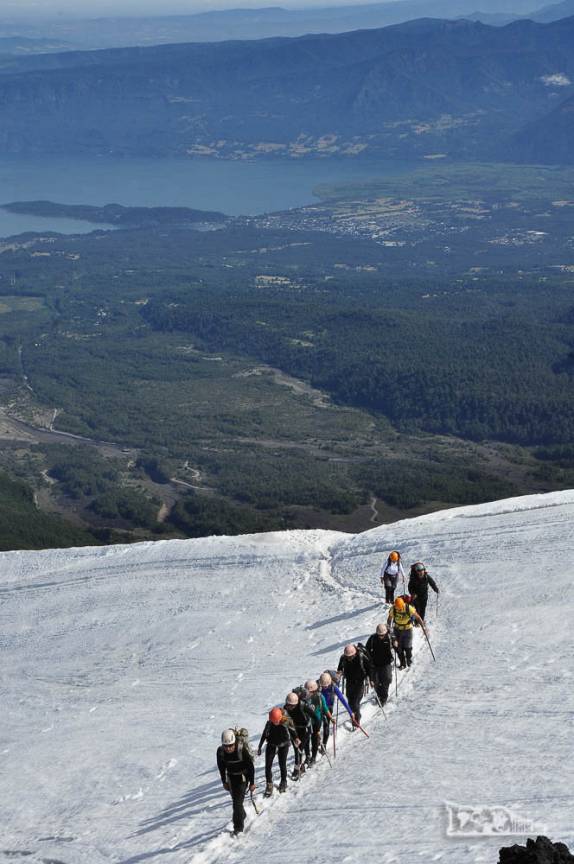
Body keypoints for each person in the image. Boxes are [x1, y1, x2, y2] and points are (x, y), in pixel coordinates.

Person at [216, 728, 256, 834]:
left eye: (230, 745)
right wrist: (224, 781)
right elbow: (221, 768)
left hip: (243, 777)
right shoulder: (220, 752)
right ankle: (242, 814)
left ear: (234, 742)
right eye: (226, 746)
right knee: (236, 801)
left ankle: (238, 828)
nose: (228, 749)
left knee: (236, 803)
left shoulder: (241, 749)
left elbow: (250, 766)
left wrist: (252, 783)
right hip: (231, 778)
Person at [258, 707, 297, 795]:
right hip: (271, 744)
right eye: (273, 721)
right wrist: (260, 746)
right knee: (268, 765)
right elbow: (264, 734)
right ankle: (269, 784)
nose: (275, 723)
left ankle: (283, 781)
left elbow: (293, 732)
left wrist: (296, 739)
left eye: (276, 721)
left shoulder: (286, 722)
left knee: (282, 764)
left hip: (284, 745)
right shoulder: (270, 723)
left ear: (280, 718)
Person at [337, 643, 371, 729]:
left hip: (360, 682)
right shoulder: (343, 658)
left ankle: (356, 721)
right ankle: (355, 717)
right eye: (348, 657)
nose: (349, 658)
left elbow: (370, 668)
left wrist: (372, 680)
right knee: (350, 702)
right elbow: (340, 668)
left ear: (355, 653)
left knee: (355, 703)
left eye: (351, 656)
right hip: (349, 682)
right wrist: (339, 673)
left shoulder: (361, 657)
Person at [387, 596, 426, 668]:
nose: (399, 609)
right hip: (397, 630)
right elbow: (389, 619)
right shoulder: (393, 609)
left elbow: (418, 617)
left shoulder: (408, 608)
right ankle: (402, 663)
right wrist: (389, 629)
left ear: (403, 605)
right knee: (398, 648)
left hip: (408, 630)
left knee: (408, 647)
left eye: (400, 608)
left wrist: (423, 626)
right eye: (397, 608)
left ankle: (409, 659)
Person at [283, 692, 314, 779]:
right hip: (295, 730)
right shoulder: (285, 709)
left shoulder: (303, 706)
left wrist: (316, 729)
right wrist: (294, 736)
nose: (289, 707)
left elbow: (314, 716)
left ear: (296, 704)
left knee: (299, 749)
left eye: (291, 705)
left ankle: (297, 769)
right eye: (288, 704)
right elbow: (287, 722)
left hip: (305, 729)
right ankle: (306, 758)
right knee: (297, 749)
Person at [318, 671, 353, 747]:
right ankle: (317, 740)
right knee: (316, 725)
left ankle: (324, 744)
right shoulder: (318, 686)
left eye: (326, 686)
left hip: (329, 708)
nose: (324, 687)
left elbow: (342, 700)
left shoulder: (334, 687)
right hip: (319, 708)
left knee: (326, 725)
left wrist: (350, 712)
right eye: (323, 686)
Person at [304, 679, 331, 764]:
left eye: (310, 691)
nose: (308, 693)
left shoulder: (320, 697)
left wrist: (330, 717)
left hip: (317, 722)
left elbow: (325, 708)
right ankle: (308, 756)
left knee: (314, 739)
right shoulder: (304, 698)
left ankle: (313, 757)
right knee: (306, 740)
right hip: (307, 722)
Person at [365, 623, 393, 706]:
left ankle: (383, 697)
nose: (381, 636)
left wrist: (396, 646)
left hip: (386, 663)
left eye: (382, 635)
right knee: (376, 681)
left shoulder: (389, 637)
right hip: (375, 664)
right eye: (379, 635)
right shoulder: (372, 638)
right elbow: (367, 650)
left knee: (387, 679)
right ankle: (379, 695)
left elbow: (396, 647)